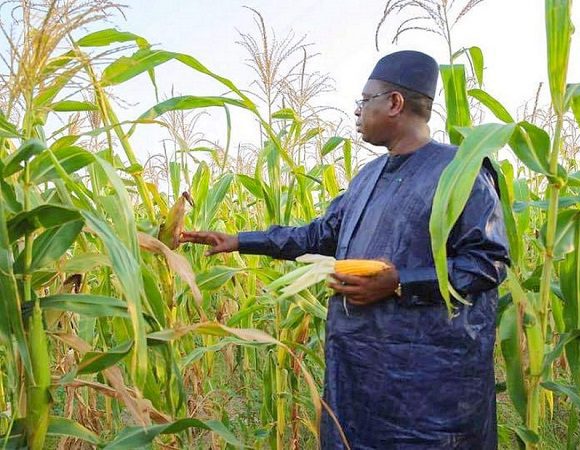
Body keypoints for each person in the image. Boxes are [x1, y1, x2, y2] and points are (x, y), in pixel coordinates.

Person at [181, 50, 509, 449]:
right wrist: (240, 241)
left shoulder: (462, 169)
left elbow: (487, 262)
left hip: (429, 383)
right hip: (359, 368)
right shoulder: (367, 177)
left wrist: (400, 283)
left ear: (394, 103)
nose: (356, 112)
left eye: (364, 101)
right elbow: (320, 234)